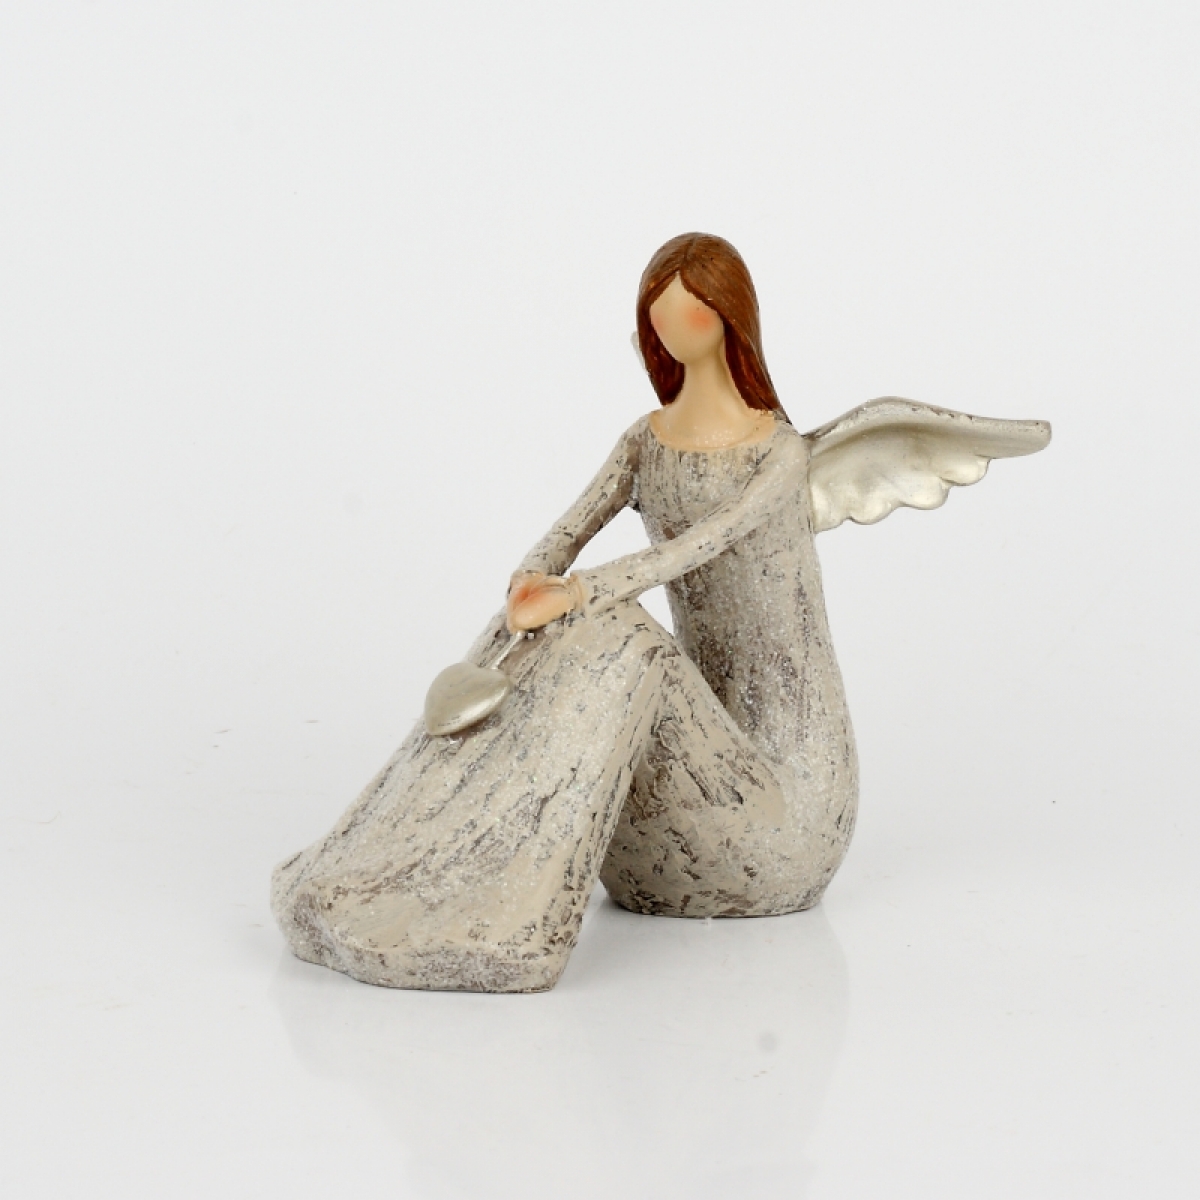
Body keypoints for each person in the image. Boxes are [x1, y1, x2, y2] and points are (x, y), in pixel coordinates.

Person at [271, 233, 1048, 993]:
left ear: (729, 318)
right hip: (658, 818)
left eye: (691, 312)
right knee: (541, 623)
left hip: (779, 817)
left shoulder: (777, 456)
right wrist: (531, 580)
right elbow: (570, 528)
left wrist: (580, 591)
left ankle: (512, 923)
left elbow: (696, 548)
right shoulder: (646, 442)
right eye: (657, 315)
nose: (671, 330)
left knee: (623, 635)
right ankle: (408, 862)